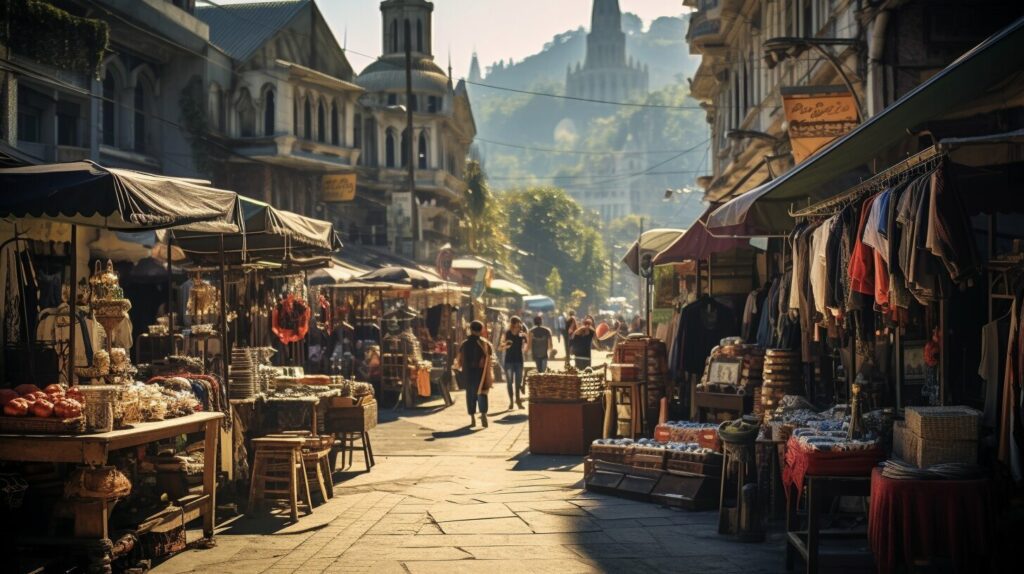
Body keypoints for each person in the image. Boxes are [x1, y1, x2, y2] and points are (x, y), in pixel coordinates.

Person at [456, 320, 493, 427]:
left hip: (469, 374)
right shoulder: (485, 344)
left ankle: (472, 418)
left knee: (470, 395)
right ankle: (483, 414)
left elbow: (459, 361)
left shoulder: (464, 344)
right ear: (481, 330)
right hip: (481, 374)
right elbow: (490, 358)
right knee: (482, 394)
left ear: (470, 330)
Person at [502, 316, 527, 410]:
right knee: (509, 382)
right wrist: (505, 345)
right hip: (508, 361)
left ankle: (518, 400)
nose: (519, 324)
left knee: (518, 382)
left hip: (519, 360)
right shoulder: (507, 333)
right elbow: (501, 345)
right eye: (517, 323)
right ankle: (511, 401)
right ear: (513, 324)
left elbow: (526, 347)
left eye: (520, 323)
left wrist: (526, 336)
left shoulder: (521, 334)